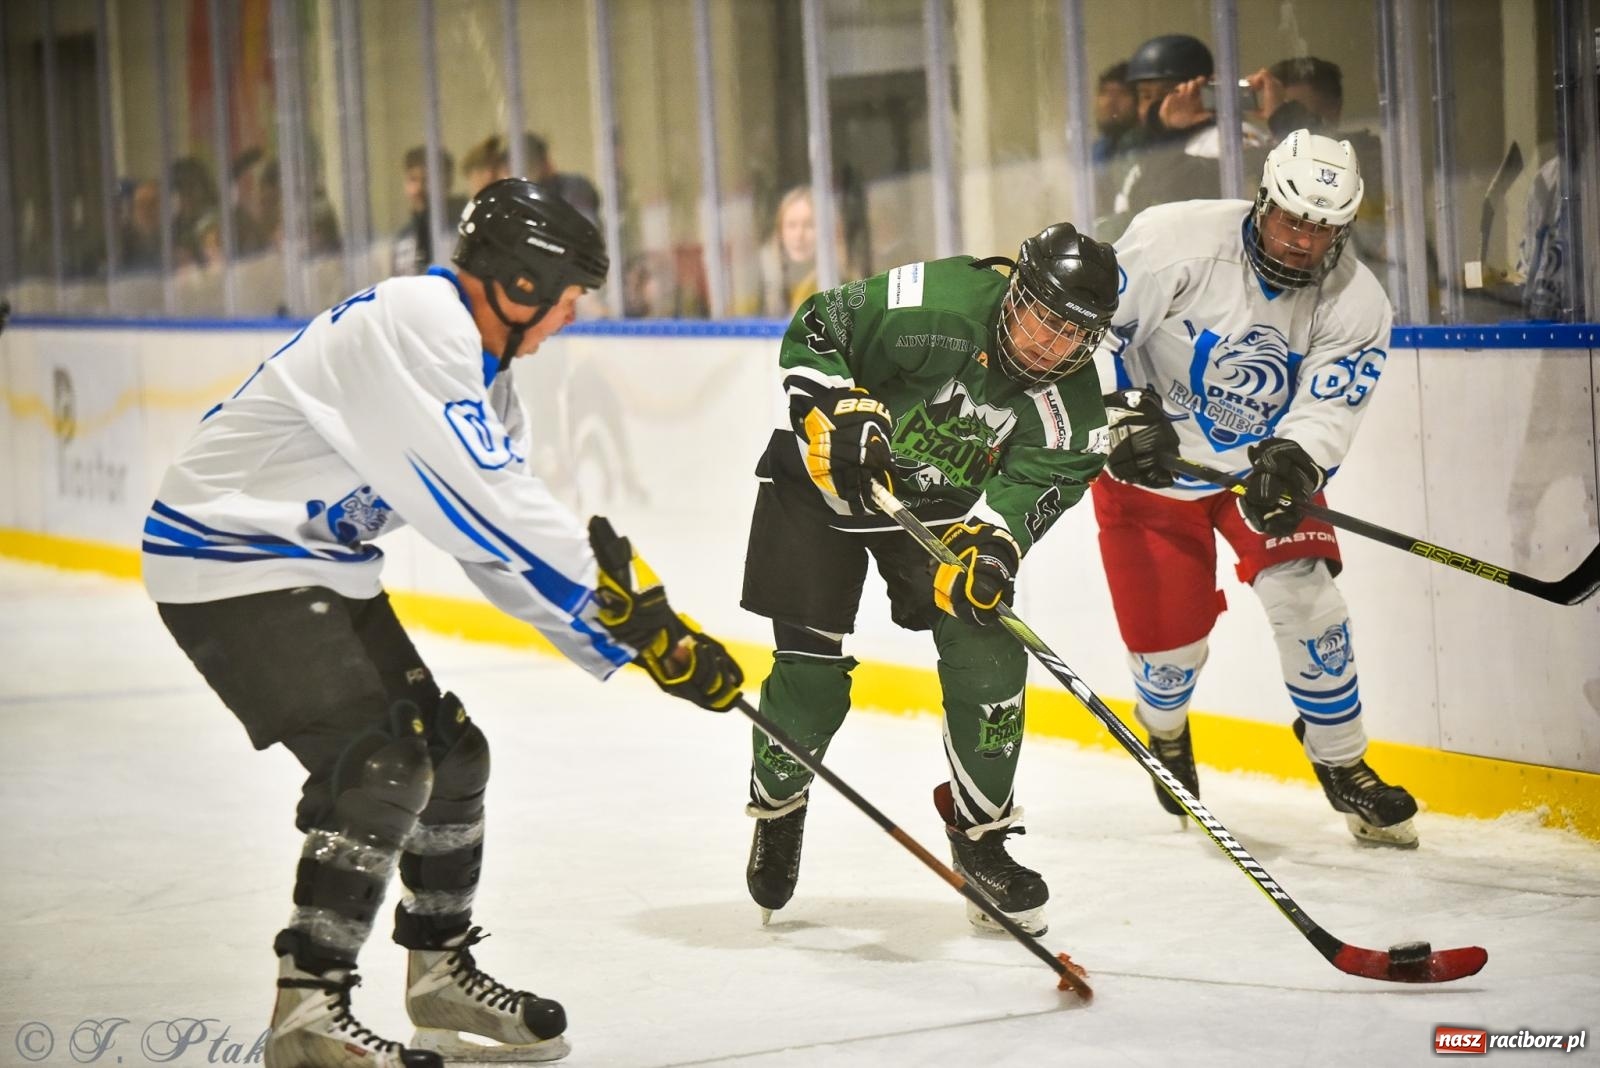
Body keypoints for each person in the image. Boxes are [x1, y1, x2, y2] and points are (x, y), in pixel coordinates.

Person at [141, 179, 743, 1067]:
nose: (571, 319)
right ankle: (306, 1015)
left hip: (311, 567)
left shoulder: (486, 380)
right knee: (379, 766)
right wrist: (626, 606)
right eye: (569, 298)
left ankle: (437, 975)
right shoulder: (418, 324)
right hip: (225, 563)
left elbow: (489, 549)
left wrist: (636, 644)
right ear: (523, 285)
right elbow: (490, 505)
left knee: (454, 757)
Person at [739, 223, 1120, 935]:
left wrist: (999, 545)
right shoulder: (936, 304)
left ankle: (981, 839)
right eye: (1042, 316)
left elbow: (1042, 483)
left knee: (988, 639)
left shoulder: (1074, 409)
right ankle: (780, 802)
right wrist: (827, 407)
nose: (1048, 342)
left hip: (935, 510)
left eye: (1072, 333)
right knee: (811, 683)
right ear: (1015, 294)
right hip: (825, 481)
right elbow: (822, 325)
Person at [1092, 130, 1419, 848]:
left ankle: (1343, 763)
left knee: (1310, 603)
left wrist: (1297, 462)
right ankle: (1166, 732)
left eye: (1324, 228)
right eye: (1292, 219)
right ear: (1265, 198)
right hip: (1149, 470)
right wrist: (1118, 413)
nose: (1304, 242)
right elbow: (1093, 330)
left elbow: (1329, 405)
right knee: (1170, 657)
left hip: (1252, 474)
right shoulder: (1174, 238)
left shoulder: (1357, 301)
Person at [1111, 34, 1269, 222]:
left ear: (1202, 91)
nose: (1157, 106)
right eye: (1145, 96)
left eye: (1168, 93)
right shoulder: (1145, 153)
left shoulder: (1230, 138)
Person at [757, 186, 850, 318]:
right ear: (780, 232)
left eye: (809, 225)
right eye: (791, 225)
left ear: (832, 232)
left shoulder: (843, 287)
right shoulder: (772, 288)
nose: (799, 235)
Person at [393, 145, 468, 276]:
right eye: (412, 179)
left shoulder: (462, 233)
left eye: (426, 180)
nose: (418, 189)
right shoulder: (403, 239)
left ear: (446, 183)